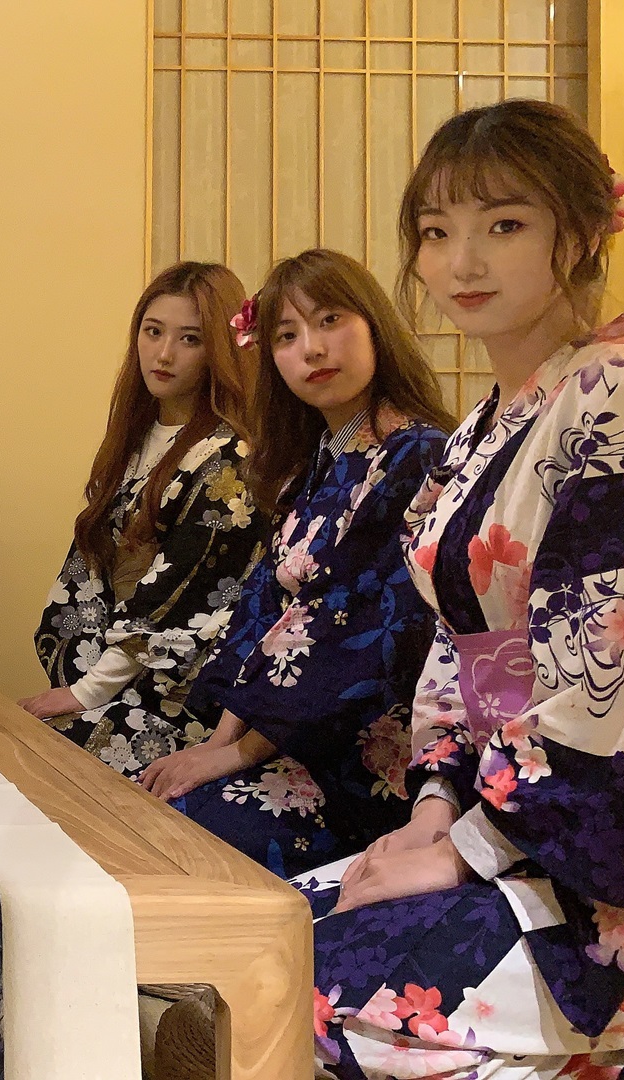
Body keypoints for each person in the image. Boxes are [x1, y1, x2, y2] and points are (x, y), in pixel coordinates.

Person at [301, 98, 624, 1078]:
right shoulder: (478, 432)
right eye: (436, 232)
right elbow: (455, 650)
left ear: (578, 234)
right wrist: (434, 807)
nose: (463, 261)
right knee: (267, 944)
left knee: (321, 1002)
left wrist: (467, 848)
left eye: (504, 224)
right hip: (526, 828)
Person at [135, 248, 452, 879]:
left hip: (360, 758)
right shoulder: (318, 462)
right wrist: (216, 747)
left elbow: (359, 631)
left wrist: (236, 756)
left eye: (330, 320)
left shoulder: (416, 456)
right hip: (292, 741)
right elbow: (265, 609)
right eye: (286, 335)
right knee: (149, 807)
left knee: (186, 836)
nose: (312, 349)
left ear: (374, 326)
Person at [22, 262, 267, 779]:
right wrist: (81, 678)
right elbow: (88, 569)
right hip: (112, 671)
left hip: (173, 695)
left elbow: (181, 599)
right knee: (14, 737)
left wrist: (88, 691)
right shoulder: (135, 438)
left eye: (190, 339)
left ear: (221, 350)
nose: (164, 353)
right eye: (153, 331)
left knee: (43, 765)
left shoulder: (227, 460)